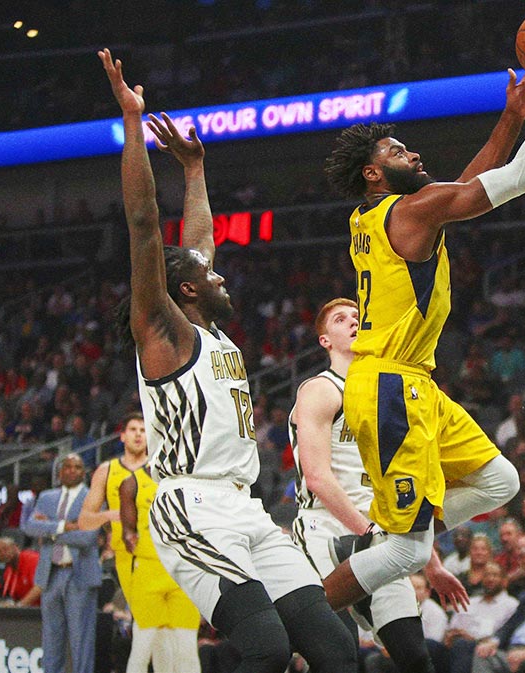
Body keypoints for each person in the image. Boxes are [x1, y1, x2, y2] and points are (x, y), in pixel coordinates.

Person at [318, 26, 525, 615]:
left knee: (500, 483)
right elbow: (524, 178)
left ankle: (386, 529)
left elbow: (463, 187)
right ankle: (302, 626)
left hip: (412, 382)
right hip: (390, 386)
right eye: (396, 152)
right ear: (373, 173)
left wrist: (512, 117)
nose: (412, 153)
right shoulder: (413, 211)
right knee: (408, 558)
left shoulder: (374, 217)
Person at [99, 48, 354, 673]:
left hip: (246, 508)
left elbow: (200, 241)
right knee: (265, 650)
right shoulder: (163, 331)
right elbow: (141, 224)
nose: (219, 275)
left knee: (335, 648)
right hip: (191, 505)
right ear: (185, 289)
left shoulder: (209, 329)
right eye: (207, 276)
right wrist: (132, 122)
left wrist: (194, 170)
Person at [289, 298, 467, 672]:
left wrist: (431, 564)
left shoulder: (386, 393)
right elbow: (318, 478)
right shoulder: (320, 390)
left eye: (358, 317)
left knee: (416, 656)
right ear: (325, 340)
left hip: (381, 528)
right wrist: (367, 532)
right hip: (327, 528)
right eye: (341, 319)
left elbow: (405, 487)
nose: (353, 322)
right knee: (338, 654)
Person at [77, 412, 167, 673]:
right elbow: (84, 520)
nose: (139, 434)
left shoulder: (160, 468)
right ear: (123, 435)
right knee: (148, 624)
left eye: (143, 429)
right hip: (130, 557)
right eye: (133, 429)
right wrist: (111, 514)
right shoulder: (107, 470)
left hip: (164, 552)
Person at [118, 426, 203, 673]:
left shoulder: (190, 481)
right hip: (147, 570)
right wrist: (129, 537)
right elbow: (127, 530)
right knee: (142, 648)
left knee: (187, 650)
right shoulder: (131, 482)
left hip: (182, 570)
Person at [22, 453, 101, 673]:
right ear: (59, 472)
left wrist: (50, 531)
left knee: (81, 640)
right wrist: (65, 527)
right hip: (50, 573)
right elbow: (29, 527)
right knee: (51, 639)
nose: (72, 470)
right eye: (67, 466)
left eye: (77, 467)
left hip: (80, 575)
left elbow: (87, 537)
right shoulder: (47, 497)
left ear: (83, 472)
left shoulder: (93, 497)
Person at [445, 562, 520, 673]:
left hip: (490, 649)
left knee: (463, 645)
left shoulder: (512, 605)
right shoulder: (469, 602)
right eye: (486, 575)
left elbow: (505, 636)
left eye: (495, 575)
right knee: (431, 646)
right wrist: (450, 636)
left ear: (505, 581)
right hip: (457, 646)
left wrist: (473, 639)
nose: (490, 579)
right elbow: (451, 629)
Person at [0, 536, 41, 607]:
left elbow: (39, 587)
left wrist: (19, 606)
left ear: (15, 547)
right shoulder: (8, 573)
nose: (3, 553)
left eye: (5, 549)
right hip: (28, 612)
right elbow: (14, 598)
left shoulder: (31, 559)